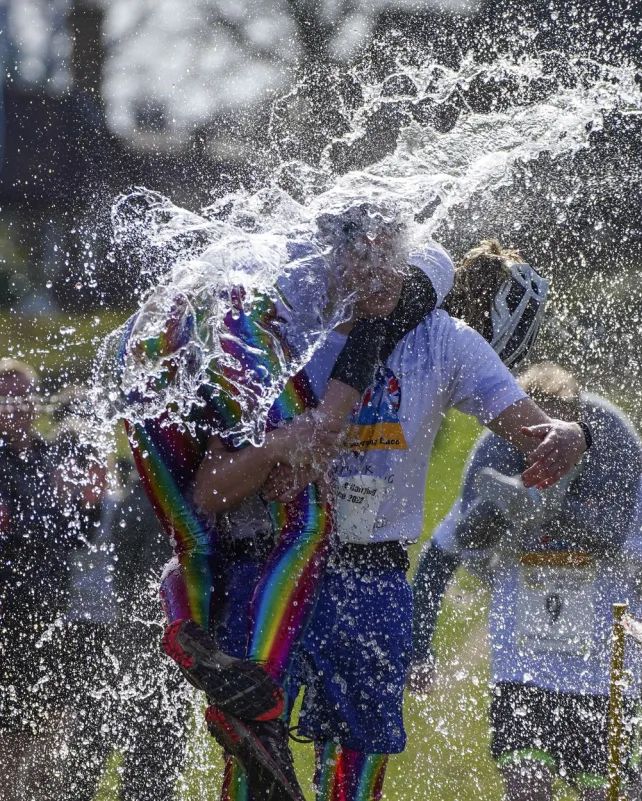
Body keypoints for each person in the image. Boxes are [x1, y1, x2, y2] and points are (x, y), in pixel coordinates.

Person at [197, 240, 589, 801]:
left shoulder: (447, 341)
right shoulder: (286, 326)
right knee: (259, 756)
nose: (369, 267)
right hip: (282, 565)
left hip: (358, 573)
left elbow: (536, 431)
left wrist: (573, 435)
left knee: (343, 768)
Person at [118, 197, 463, 801]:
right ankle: (260, 711)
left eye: (394, 272)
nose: (383, 286)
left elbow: (208, 492)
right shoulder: (305, 279)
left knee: (196, 532)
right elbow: (384, 317)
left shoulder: (332, 252)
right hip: (228, 327)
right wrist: (302, 439)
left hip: (145, 342)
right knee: (309, 520)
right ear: (353, 248)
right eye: (375, 266)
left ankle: (184, 633)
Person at [410, 362, 642, 801]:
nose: (543, 442)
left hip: (601, 680)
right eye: (529, 427)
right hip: (521, 674)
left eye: (554, 428)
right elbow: (437, 560)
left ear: (576, 423)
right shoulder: (493, 477)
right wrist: (420, 649)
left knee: (606, 793)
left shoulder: (620, 482)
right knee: (526, 789)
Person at [52, 421, 187, 801]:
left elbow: (136, 575)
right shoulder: (68, 515)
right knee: (85, 756)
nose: (88, 475)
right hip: (97, 644)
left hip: (142, 643)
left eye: (96, 464)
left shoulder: (133, 503)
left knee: (150, 759)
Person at [0, 360, 67, 801]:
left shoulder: (52, 456)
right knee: (7, 726)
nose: (16, 405)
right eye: (7, 395)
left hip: (46, 606)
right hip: (4, 608)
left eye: (23, 395)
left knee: (47, 722)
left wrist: (86, 501)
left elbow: (77, 530)